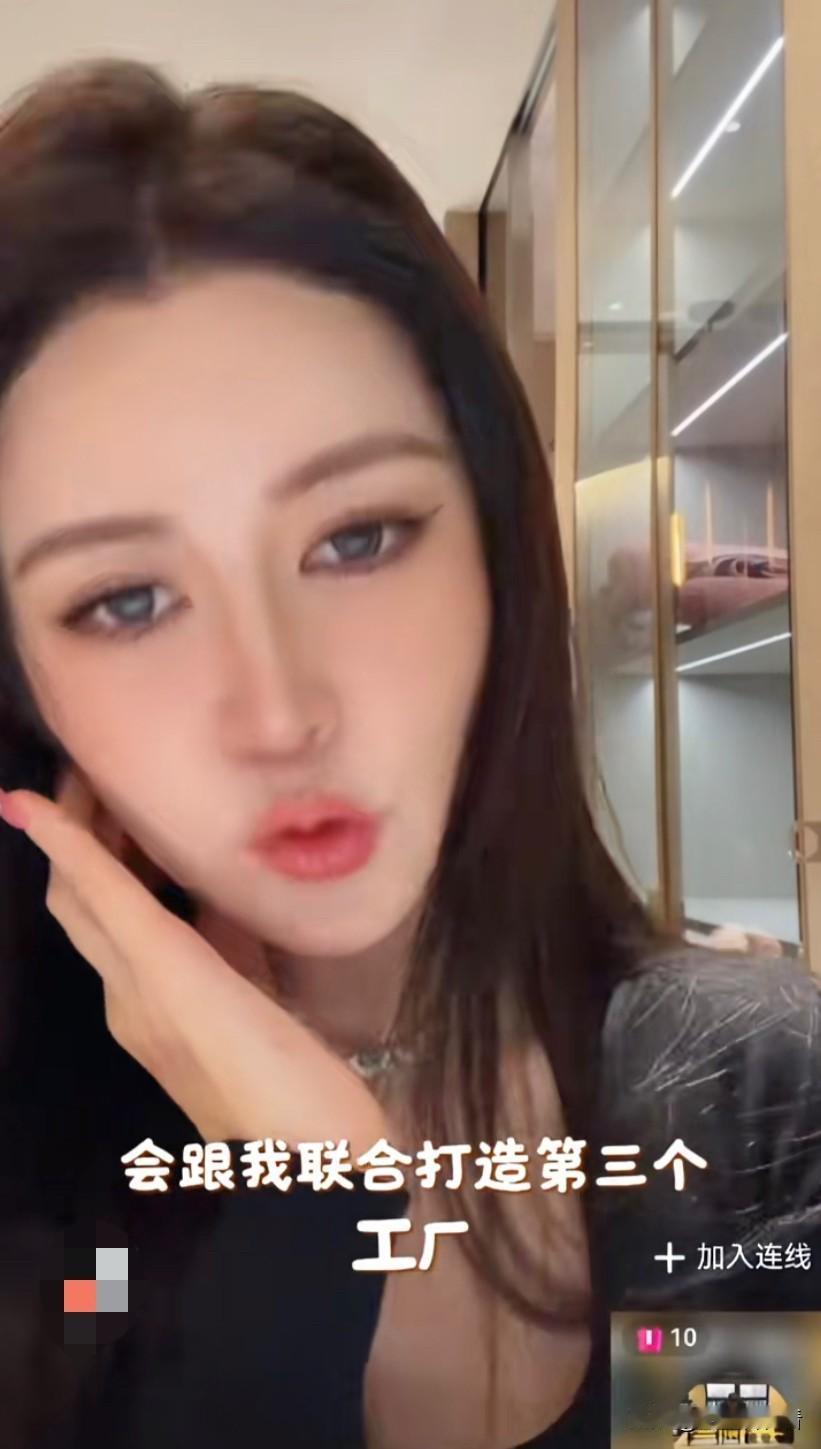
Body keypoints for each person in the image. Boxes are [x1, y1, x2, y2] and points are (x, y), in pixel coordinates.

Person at [0, 57, 819, 1449]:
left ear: (493, 540)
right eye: (125, 601)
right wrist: (304, 1205)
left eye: (358, 537)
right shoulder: (53, 1205)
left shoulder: (749, 1100)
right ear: (28, 696)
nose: (279, 712)